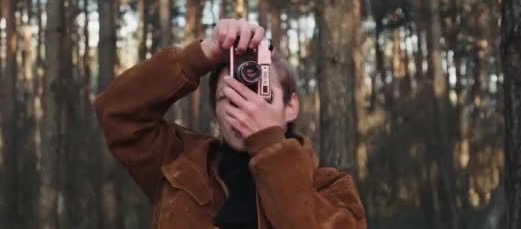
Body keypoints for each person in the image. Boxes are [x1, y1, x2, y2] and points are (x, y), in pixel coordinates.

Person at [95, 18, 367, 229]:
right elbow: (117, 112)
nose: (246, 109)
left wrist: (268, 145)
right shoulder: (179, 164)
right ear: (215, 110)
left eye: (261, 96)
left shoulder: (332, 188)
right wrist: (200, 55)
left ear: (291, 106)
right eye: (230, 97)